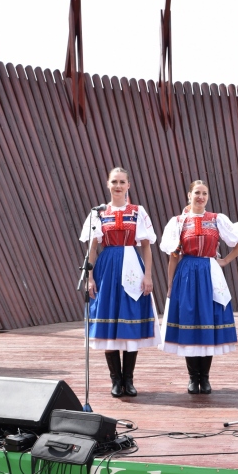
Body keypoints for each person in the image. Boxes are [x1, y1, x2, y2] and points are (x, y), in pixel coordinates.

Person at [159, 180, 238, 394]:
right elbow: (173, 256)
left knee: (207, 320)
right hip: (187, 273)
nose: (201, 197)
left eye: (204, 193)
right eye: (197, 193)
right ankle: (193, 377)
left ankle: (205, 378)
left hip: (210, 272)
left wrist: (225, 260)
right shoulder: (178, 222)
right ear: (188, 195)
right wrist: (170, 285)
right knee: (190, 321)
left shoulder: (217, 219)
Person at [80, 167, 157, 398]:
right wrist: (90, 277)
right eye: (114, 181)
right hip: (107, 266)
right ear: (107, 184)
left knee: (130, 319)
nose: (118, 186)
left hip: (133, 264)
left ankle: (129, 380)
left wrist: (149, 275)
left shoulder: (138, 211)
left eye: (122, 182)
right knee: (110, 321)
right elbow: (92, 248)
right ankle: (116, 380)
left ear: (128, 185)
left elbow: (146, 245)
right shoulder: (98, 213)